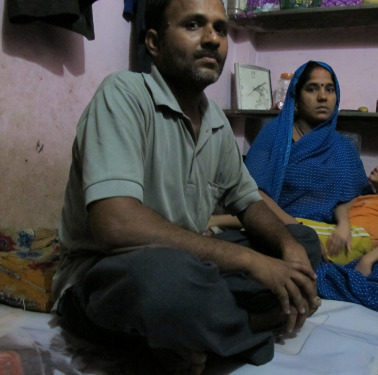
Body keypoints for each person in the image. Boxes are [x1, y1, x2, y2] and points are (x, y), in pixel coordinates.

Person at [51, 1, 322, 373]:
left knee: (304, 244)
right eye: (194, 25)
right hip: (111, 271)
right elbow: (115, 224)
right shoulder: (124, 95)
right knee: (166, 282)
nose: (212, 39)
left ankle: (188, 331)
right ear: (154, 43)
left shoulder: (216, 122)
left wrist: (288, 247)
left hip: (194, 262)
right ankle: (244, 324)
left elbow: (248, 202)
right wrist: (249, 261)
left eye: (220, 29)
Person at [243, 61, 378, 321]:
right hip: (285, 225)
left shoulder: (342, 146)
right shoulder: (275, 135)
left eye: (330, 89)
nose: (322, 96)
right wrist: (297, 229)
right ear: (296, 97)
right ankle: (351, 281)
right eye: (312, 89)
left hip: (339, 233)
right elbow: (252, 191)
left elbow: (362, 198)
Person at [297, 156, 378, 276]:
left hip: (363, 239)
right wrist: (344, 225)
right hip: (345, 235)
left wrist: (368, 259)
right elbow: (342, 208)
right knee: (297, 225)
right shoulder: (363, 196)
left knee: (300, 232)